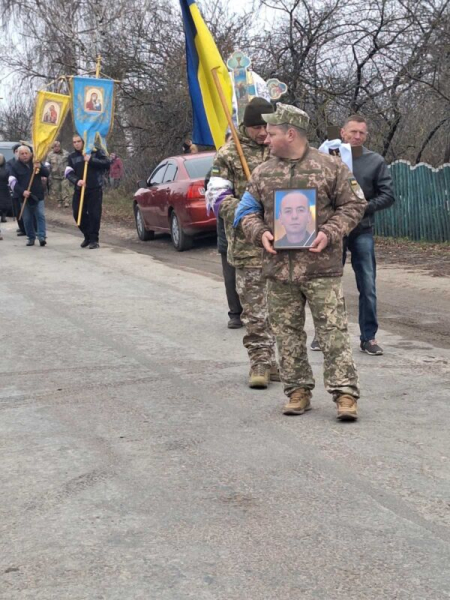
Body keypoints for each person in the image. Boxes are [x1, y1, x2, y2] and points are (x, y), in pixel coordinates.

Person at [237, 103, 366, 420]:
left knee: (333, 333)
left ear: (290, 133)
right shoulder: (264, 173)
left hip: (321, 268)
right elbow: (245, 212)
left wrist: (330, 231)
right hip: (278, 270)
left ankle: (345, 395)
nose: (266, 139)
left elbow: (354, 204)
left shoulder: (330, 168)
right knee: (287, 334)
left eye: (272, 133)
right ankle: (297, 391)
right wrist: (260, 233)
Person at [206, 97, 279, 389]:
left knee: (281, 309)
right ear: (246, 126)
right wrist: (250, 214)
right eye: (257, 127)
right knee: (255, 310)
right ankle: (259, 363)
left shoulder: (282, 149)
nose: (262, 133)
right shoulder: (228, 154)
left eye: (267, 126)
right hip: (248, 247)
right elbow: (216, 197)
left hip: (283, 245)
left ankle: (278, 362)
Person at [311, 115, 395, 355]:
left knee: (367, 285)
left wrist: (363, 207)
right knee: (328, 285)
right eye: (353, 132)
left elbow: (388, 196)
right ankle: (323, 333)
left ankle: (369, 338)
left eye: (362, 133)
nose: (357, 136)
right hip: (332, 231)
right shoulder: (327, 156)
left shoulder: (374, 161)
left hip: (362, 230)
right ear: (342, 132)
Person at [65, 134, 110, 249]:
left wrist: (91, 160)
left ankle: (94, 239)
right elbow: (68, 173)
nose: (76, 144)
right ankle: (87, 235)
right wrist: (77, 181)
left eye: (78, 141)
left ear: (83, 141)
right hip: (80, 189)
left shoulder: (95, 152)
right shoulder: (72, 157)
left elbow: (107, 163)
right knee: (77, 213)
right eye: (74, 142)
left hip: (94, 188)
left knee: (94, 214)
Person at [8, 145, 49, 246]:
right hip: (24, 196)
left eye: (26, 153)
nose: (25, 155)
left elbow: (47, 173)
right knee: (27, 218)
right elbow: (12, 182)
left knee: (40, 215)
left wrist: (40, 167)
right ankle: (31, 237)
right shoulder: (15, 166)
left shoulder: (36, 162)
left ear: (30, 154)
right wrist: (22, 192)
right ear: (18, 155)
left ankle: (41, 237)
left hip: (37, 195)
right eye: (22, 154)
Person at [6, 144, 26, 236]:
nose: (20, 153)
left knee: (27, 210)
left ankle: (29, 228)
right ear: (15, 153)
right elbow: (9, 174)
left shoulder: (26, 163)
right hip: (15, 189)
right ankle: (22, 227)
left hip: (25, 190)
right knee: (18, 210)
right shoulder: (10, 163)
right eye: (17, 151)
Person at [47, 140, 70, 208]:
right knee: (57, 189)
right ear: (52, 147)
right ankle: (59, 201)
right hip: (55, 176)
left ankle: (66, 201)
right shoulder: (50, 155)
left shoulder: (66, 153)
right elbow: (47, 164)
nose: (57, 148)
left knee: (65, 187)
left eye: (58, 146)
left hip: (64, 175)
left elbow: (70, 162)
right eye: (55, 146)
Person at [0, 154, 12, 224]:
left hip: (4, 188)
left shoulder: (6, 168)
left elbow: (9, 176)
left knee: (4, 204)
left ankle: (3, 215)